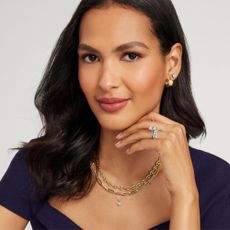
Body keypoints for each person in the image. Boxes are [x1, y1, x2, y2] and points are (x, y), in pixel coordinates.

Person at [0, 0, 230, 229]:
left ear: (172, 63)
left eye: (130, 55)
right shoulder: (41, 165)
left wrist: (185, 196)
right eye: (91, 57)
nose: (106, 81)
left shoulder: (217, 183)